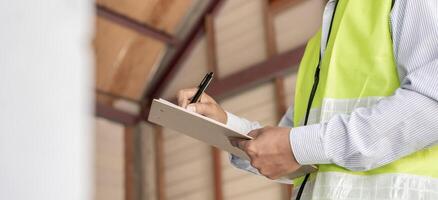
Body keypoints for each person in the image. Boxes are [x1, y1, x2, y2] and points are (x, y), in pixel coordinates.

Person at [178, 0, 438, 199]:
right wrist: (224, 123)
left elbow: (432, 105)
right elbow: (290, 150)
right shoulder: (324, 37)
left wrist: (299, 146)